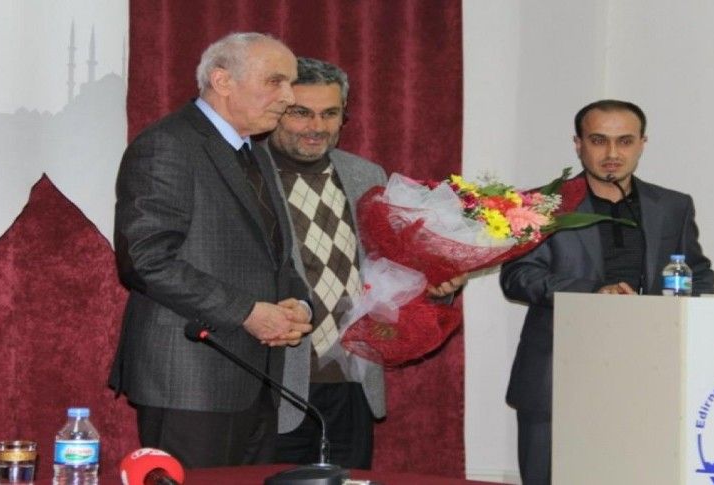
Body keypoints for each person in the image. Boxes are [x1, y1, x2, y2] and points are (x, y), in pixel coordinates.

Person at [108, 32, 314, 468]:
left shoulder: (255, 153)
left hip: (257, 377)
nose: (289, 96)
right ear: (222, 81)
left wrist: (298, 304)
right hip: (189, 380)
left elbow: (275, 255)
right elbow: (146, 261)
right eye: (275, 81)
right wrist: (247, 312)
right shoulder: (168, 144)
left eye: (290, 83)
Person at [260, 57, 466, 469]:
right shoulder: (247, 173)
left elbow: (392, 268)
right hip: (270, 383)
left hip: (353, 379)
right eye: (301, 113)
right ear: (275, 111)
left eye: (329, 113)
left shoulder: (366, 175)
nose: (316, 126)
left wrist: (435, 285)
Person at [500, 99, 714, 484]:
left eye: (625, 141)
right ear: (578, 144)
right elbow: (517, 276)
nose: (612, 153)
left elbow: (697, 273)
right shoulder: (542, 205)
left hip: (648, 373)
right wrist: (592, 294)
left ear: (642, 143)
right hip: (556, 374)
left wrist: (680, 317)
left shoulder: (672, 205)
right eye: (599, 140)